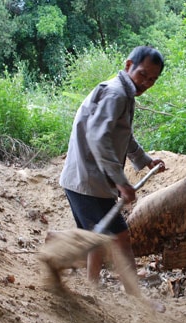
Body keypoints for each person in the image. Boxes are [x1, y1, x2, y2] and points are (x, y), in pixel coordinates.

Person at [59, 46, 166, 296]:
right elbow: (98, 138)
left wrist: (145, 160)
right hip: (88, 183)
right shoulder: (116, 94)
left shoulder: (124, 93)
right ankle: (133, 298)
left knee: (101, 237)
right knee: (115, 239)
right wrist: (122, 182)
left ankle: (93, 290)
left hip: (87, 182)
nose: (147, 83)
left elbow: (122, 135)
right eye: (143, 75)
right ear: (129, 65)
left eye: (153, 79)